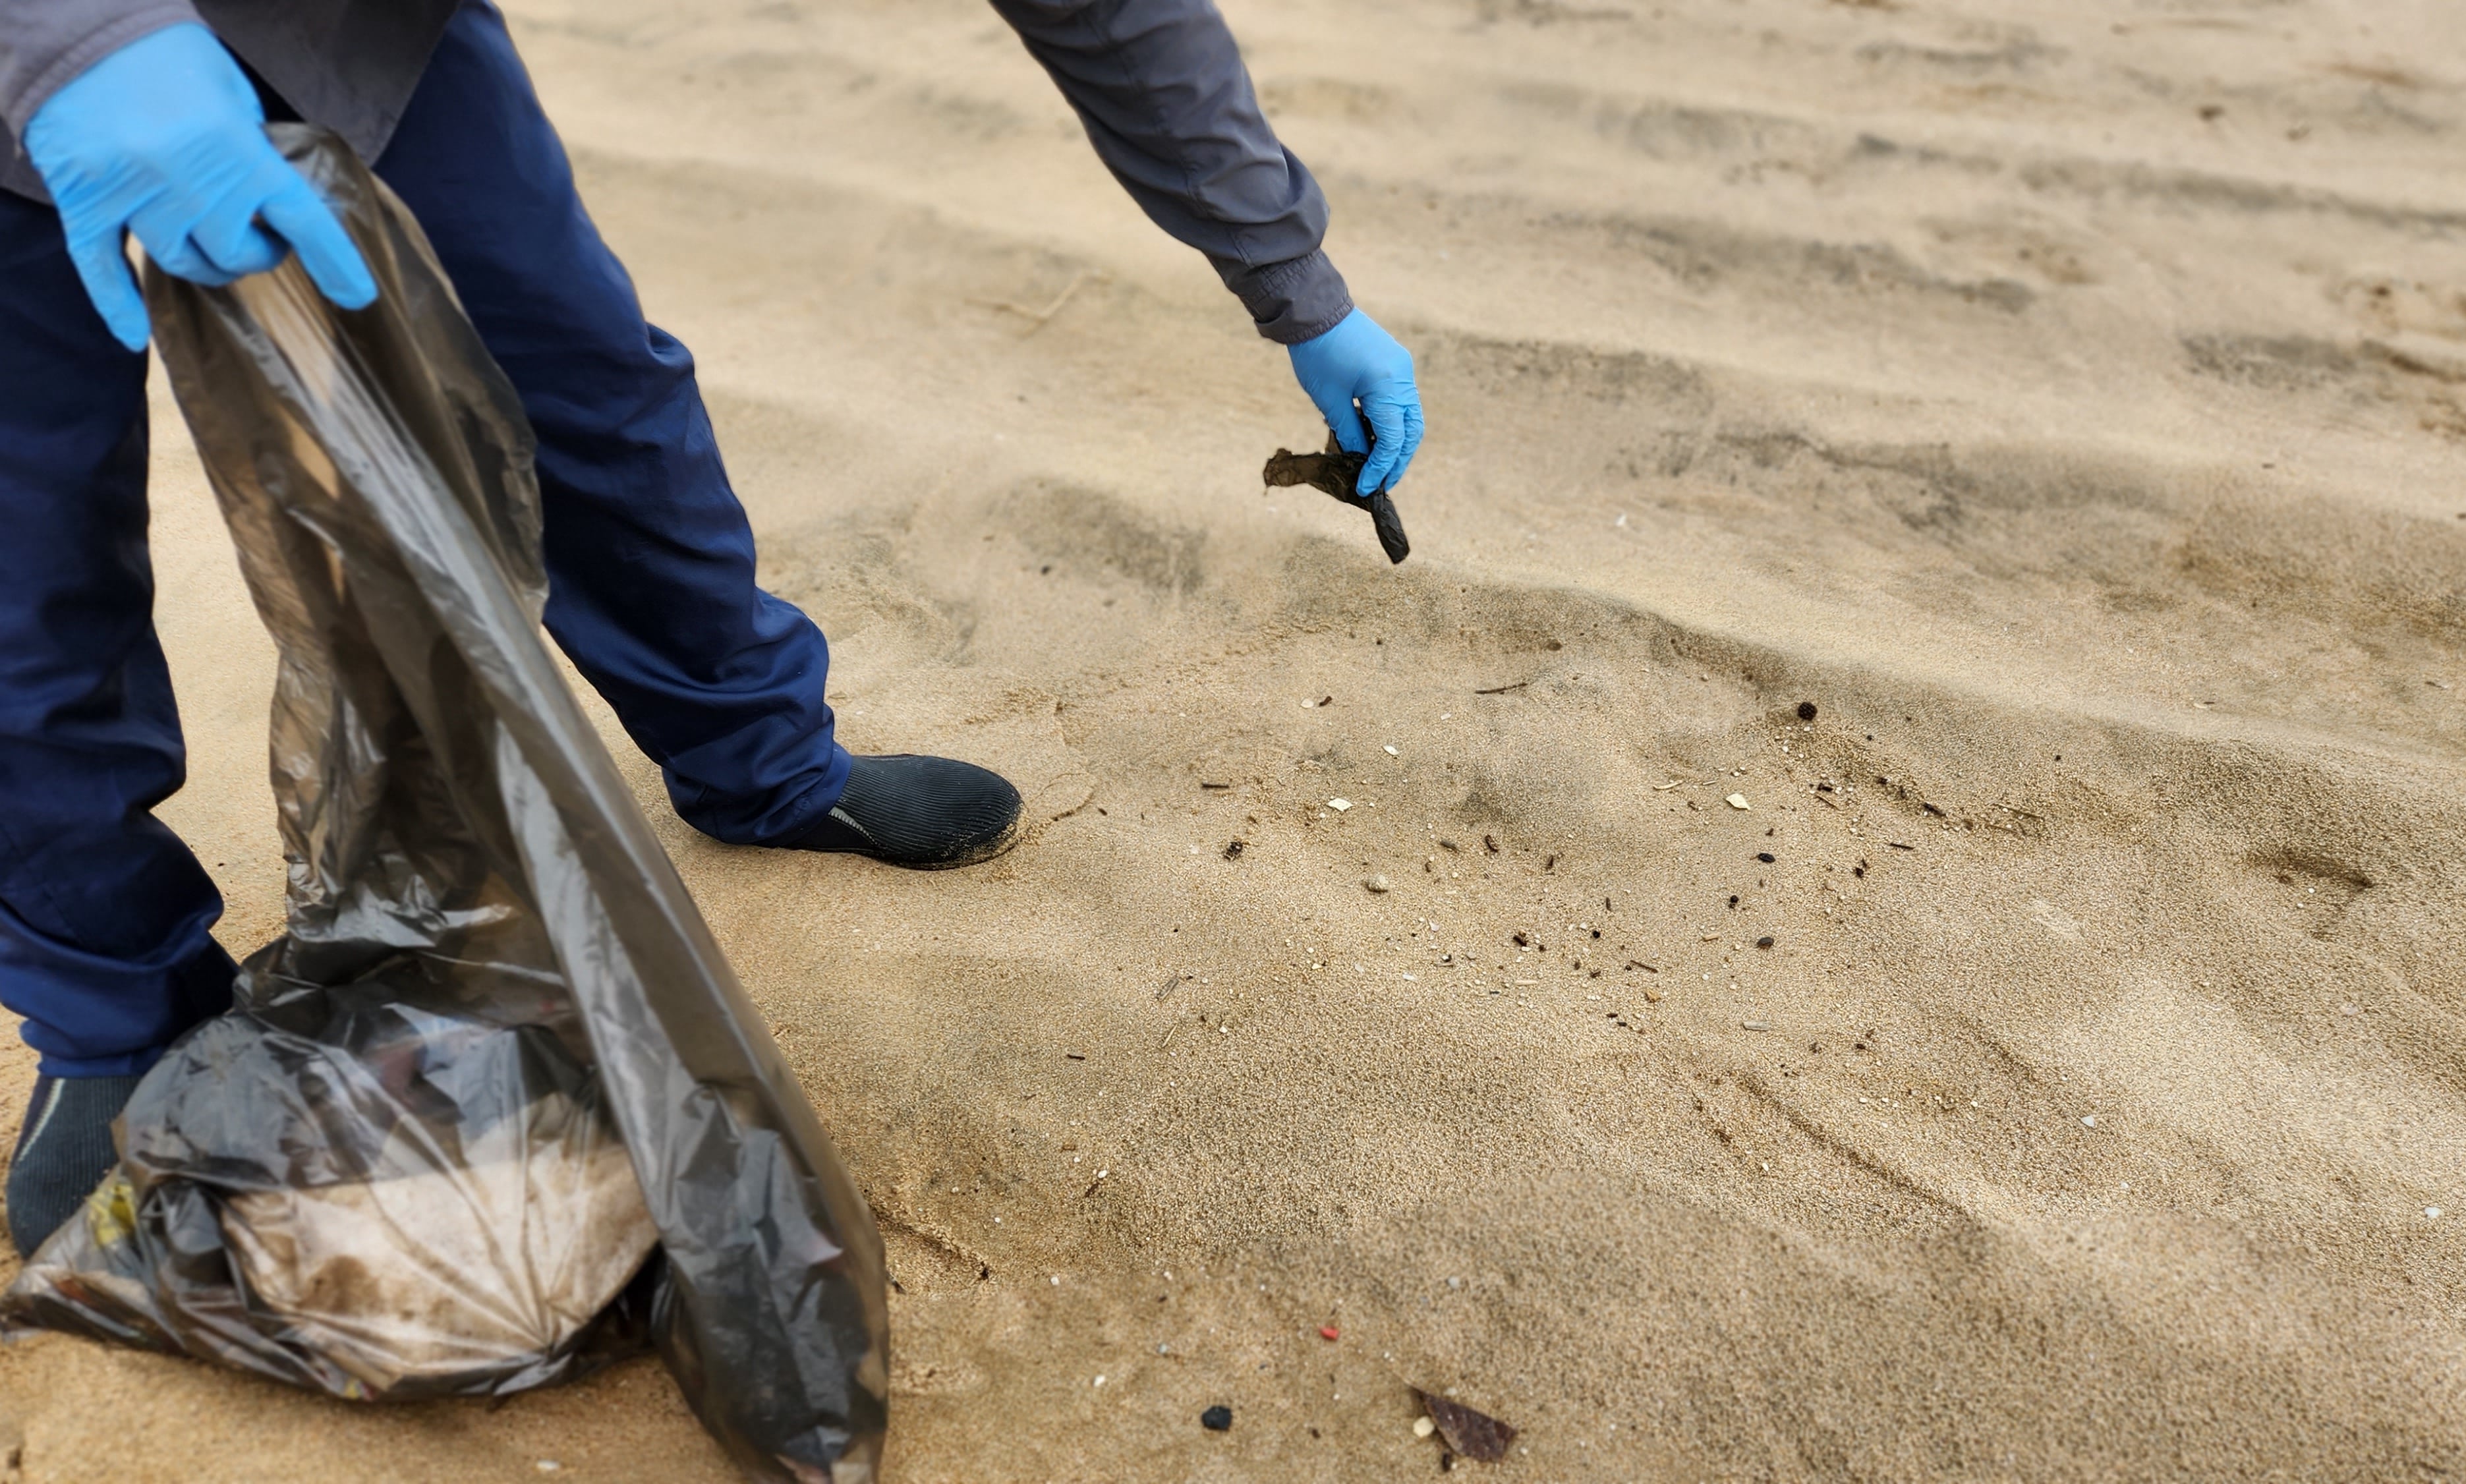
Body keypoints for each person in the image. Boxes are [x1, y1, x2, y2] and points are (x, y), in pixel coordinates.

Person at [0, 0, 1425, 1255]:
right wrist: (71, 36)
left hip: (352, 29)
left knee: (587, 385)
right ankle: (110, 1008)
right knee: (24, 563)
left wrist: (1294, 284)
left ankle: (760, 758)